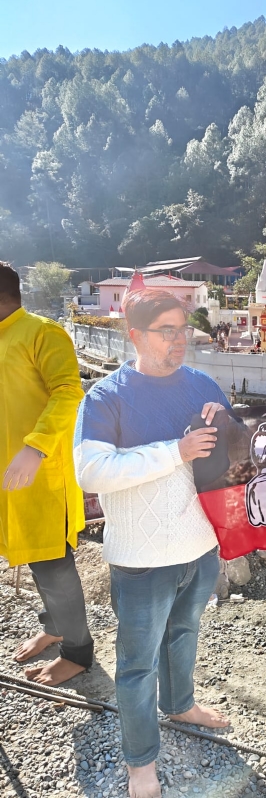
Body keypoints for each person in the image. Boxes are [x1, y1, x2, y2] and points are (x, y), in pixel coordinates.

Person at [74, 289, 233, 798]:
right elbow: (92, 471)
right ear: (135, 334)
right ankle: (140, 760)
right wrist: (175, 451)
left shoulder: (203, 383)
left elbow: (233, 461)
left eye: (184, 329)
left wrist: (232, 425)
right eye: (167, 331)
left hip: (199, 545)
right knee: (138, 663)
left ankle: (181, 703)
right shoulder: (107, 396)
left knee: (185, 633)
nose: (179, 340)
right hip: (141, 558)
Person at [0, 263, 93, 686]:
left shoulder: (42, 332)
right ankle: (54, 627)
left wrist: (35, 447)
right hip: (9, 477)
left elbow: (69, 392)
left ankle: (77, 652)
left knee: (53, 564)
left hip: (40, 474)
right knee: (36, 561)